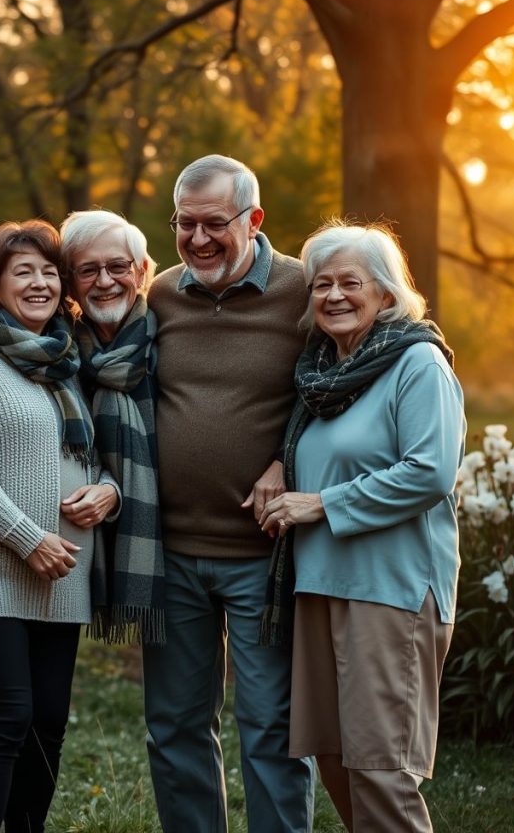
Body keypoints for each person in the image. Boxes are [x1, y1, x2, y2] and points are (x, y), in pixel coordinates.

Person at [258, 221, 465, 833]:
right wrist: (278, 466)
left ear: (386, 293)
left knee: (381, 768)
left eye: (352, 282)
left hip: (391, 590)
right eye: (322, 284)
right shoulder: (321, 377)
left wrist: (318, 503)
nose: (335, 295)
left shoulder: (416, 363)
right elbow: (310, 449)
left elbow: (429, 472)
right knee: (336, 760)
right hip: (319, 585)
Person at [0, 219, 120, 833]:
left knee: (48, 724)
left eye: (48, 272)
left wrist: (109, 493)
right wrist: (26, 538)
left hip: (61, 571)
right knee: (5, 717)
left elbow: (92, 457)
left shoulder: (68, 361)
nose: (39, 283)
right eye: (23, 272)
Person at [143, 154, 315, 833]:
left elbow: (372, 359)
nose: (198, 239)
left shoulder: (305, 289)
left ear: (255, 219)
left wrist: (285, 458)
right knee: (175, 725)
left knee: (270, 724)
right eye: (185, 223)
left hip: (262, 554)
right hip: (171, 552)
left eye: (215, 223)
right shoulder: (157, 293)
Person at [59, 209, 166, 644]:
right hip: (66, 546)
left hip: (190, 534)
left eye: (118, 266)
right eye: (89, 270)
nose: (104, 281)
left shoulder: (174, 332)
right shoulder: (56, 350)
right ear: (70, 282)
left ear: (141, 272)